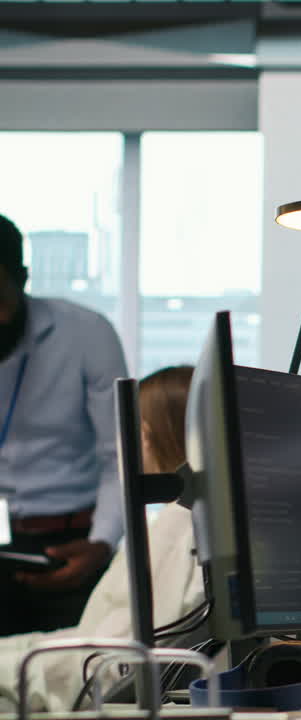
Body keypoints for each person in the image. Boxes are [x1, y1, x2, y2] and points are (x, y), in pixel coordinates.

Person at [0, 365, 206, 713]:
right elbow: (94, 641)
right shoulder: (189, 522)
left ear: (143, 435)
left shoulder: (176, 529)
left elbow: (108, 666)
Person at [0, 212, 130, 636]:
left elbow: (121, 455)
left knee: (77, 681)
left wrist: (102, 542)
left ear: (22, 278)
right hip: (7, 544)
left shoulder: (85, 333)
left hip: (78, 542)